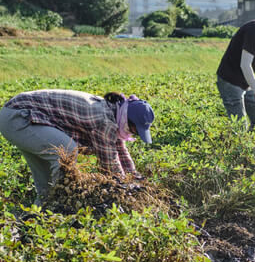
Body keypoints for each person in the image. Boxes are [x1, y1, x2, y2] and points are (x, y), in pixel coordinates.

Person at [0, 89, 155, 207]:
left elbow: (120, 151)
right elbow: (110, 166)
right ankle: (58, 206)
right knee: (66, 151)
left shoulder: (115, 112)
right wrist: (127, 190)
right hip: (18, 117)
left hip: (20, 117)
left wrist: (135, 178)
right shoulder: (104, 121)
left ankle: (35, 222)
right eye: (134, 129)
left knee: (46, 192)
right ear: (128, 119)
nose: (132, 133)